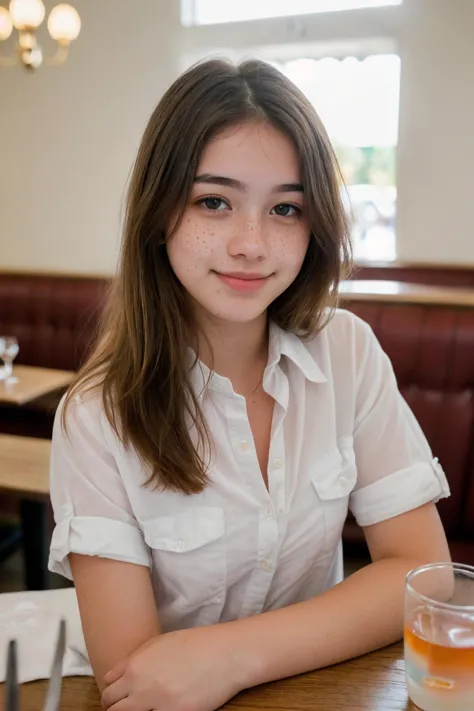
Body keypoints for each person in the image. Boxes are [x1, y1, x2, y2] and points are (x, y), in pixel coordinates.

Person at [48, 58, 451, 711]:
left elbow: (419, 573)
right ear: (157, 215)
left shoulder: (347, 352)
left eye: (285, 208)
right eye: (214, 201)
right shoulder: (97, 415)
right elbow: (134, 676)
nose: (252, 243)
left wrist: (231, 655)